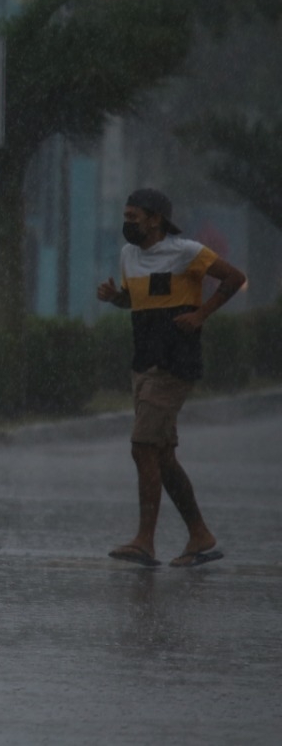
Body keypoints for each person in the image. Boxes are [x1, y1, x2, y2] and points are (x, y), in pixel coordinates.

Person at [96, 188, 245, 568]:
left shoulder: (186, 251)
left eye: (134, 216)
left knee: (142, 447)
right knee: (161, 456)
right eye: (126, 216)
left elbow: (233, 278)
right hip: (143, 363)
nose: (127, 223)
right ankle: (201, 536)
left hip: (174, 363)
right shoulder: (129, 254)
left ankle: (145, 541)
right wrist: (116, 298)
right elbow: (138, 299)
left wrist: (201, 315)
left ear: (155, 219)